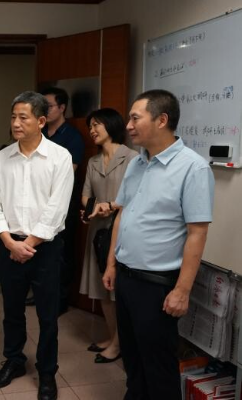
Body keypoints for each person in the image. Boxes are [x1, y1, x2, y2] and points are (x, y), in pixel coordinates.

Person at [103, 90, 214, 399]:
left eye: (135, 118)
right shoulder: (137, 163)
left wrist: (182, 291)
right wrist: (111, 264)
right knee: (133, 360)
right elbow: (123, 214)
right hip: (126, 278)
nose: (128, 125)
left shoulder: (193, 168)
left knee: (158, 366)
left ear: (162, 120)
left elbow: (197, 233)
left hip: (157, 285)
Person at [0, 91, 73, 400]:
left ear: (40, 121)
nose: (16, 123)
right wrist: (10, 242)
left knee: (48, 314)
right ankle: (14, 360)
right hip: (9, 244)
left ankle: (47, 372)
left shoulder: (60, 157)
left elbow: (57, 208)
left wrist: (29, 243)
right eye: (13, 117)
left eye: (23, 117)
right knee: (11, 310)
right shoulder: (1, 158)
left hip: (45, 248)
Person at [78, 108, 137, 364]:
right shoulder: (93, 161)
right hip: (98, 230)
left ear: (111, 125)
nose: (92, 130)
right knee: (102, 287)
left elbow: (136, 196)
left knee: (116, 289)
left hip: (122, 230)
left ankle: (118, 344)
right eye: (90, 126)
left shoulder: (132, 158)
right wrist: (92, 208)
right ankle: (114, 338)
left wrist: (110, 206)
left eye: (96, 125)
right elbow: (86, 195)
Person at [39, 87, 84, 313]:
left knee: (62, 254)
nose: (45, 110)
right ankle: (42, 296)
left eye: (49, 106)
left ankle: (60, 301)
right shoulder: (40, 134)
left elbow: (68, 174)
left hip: (64, 205)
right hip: (39, 203)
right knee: (41, 253)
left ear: (62, 107)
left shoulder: (72, 136)